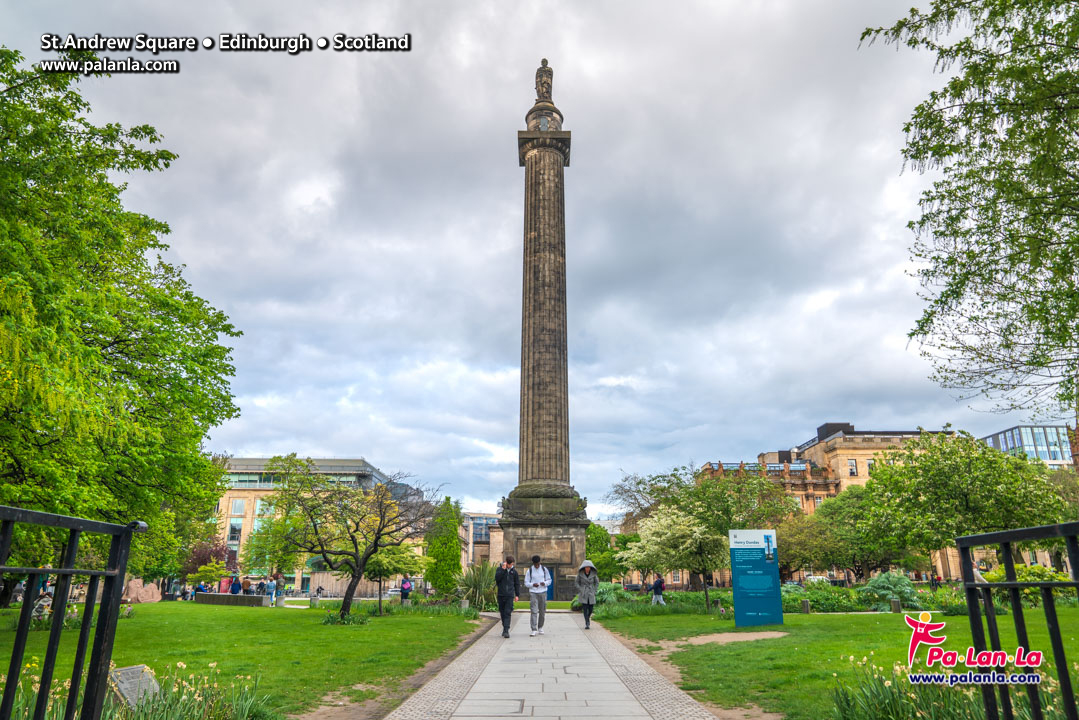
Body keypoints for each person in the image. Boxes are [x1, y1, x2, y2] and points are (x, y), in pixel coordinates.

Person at [494, 557, 520, 638]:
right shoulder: (499, 570)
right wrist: (503, 570)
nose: (512, 566)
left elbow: (517, 584)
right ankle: (504, 626)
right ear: (507, 564)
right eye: (511, 564)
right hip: (501, 594)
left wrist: (517, 595)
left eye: (512, 564)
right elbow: (497, 579)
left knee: (507, 612)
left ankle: (506, 630)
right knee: (502, 612)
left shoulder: (514, 572)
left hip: (510, 595)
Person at [525, 555, 551, 637]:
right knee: (534, 611)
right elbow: (526, 583)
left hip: (543, 592)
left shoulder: (544, 569)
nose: (536, 565)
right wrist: (533, 584)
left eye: (538, 564)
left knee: (542, 611)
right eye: (535, 564)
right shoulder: (530, 570)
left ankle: (540, 627)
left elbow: (549, 580)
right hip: (533, 592)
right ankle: (533, 629)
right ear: (533, 563)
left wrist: (545, 583)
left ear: (540, 562)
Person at [575, 560, 599, 629]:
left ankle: (587, 618)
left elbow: (597, 583)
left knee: (591, 608)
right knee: (585, 608)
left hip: (591, 592)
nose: (587, 568)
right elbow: (576, 583)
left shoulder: (594, 575)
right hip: (584, 593)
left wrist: (594, 590)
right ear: (584, 568)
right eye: (586, 567)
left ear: (591, 568)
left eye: (589, 567)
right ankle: (587, 623)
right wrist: (581, 589)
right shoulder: (580, 574)